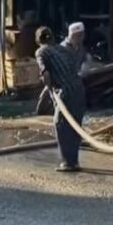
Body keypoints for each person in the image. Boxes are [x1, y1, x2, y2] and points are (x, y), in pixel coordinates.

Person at [35, 26, 87, 173]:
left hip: (66, 91)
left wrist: (51, 91)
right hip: (79, 88)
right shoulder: (63, 49)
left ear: (38, 41)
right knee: (75, 124)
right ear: (52, 37)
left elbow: (45, 74)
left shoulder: (41, 51)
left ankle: (67, 163)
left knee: (61, 124)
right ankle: (74, 161)